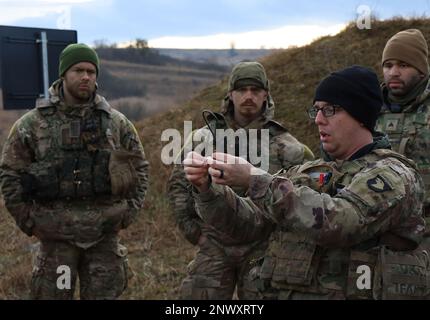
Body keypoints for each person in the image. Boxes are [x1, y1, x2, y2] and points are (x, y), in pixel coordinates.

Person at [185, 65, 429, 299]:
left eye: (330, 110)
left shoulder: (394, 175)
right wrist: (207, 190)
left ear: (360, 114)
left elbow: (343, 221)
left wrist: (255, 178)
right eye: (317, 110)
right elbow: (250, 224)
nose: (318, 120)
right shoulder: (311, 173)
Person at [0, 43, 149, 299]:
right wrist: (29, 221)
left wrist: (127, 214)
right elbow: (10, 174)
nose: (85, 77)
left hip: (104, 237)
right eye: (78, 70)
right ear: (63, 74)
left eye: (91, 71)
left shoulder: (116, 123)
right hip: (56, 240)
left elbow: (140, 170)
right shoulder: (33, 124)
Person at [168, 61, 314, 299]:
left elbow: (301, 198)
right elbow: (178, 184)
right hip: (213, 245)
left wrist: (281, 242)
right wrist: (194, 232)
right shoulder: (202, 138)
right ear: (230, 94)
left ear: (266, 95)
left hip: (262, 249)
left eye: (255, 90)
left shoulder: (288, 147)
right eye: (242, 90)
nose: (248, 96)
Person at [377, 28, 430, 243]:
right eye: (388, 65)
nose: (394, 72)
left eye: (404, 65)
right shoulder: (368, 109)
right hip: (376, 230)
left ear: (422, 71)